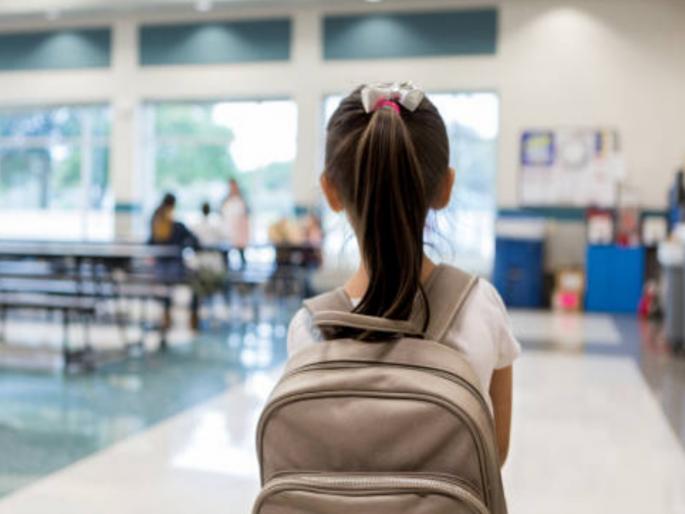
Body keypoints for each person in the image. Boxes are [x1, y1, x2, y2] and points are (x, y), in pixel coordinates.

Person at [286, 83, 520, 465]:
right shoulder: (481, 305)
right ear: (446, 188)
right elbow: (493, 456)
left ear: (330, 191)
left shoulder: (308, 329)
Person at [221, 178, 250, 268]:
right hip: (228, 231)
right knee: (226, 255)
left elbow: (246, 215)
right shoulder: (225, 200)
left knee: (241, 255)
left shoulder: (242, 199)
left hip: (240, 233)